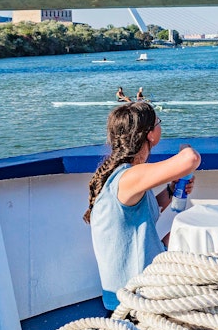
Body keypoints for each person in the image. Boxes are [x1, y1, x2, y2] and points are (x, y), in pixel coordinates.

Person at [84, 101, 200, 310]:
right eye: (158, 122)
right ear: (150, 135)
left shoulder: (123, 174)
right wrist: (185, 148)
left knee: (188, 230)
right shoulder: (129, 176)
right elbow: (190, 159)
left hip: (134, 292)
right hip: (135, 301)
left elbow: (138, 214)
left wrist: (171, 191)